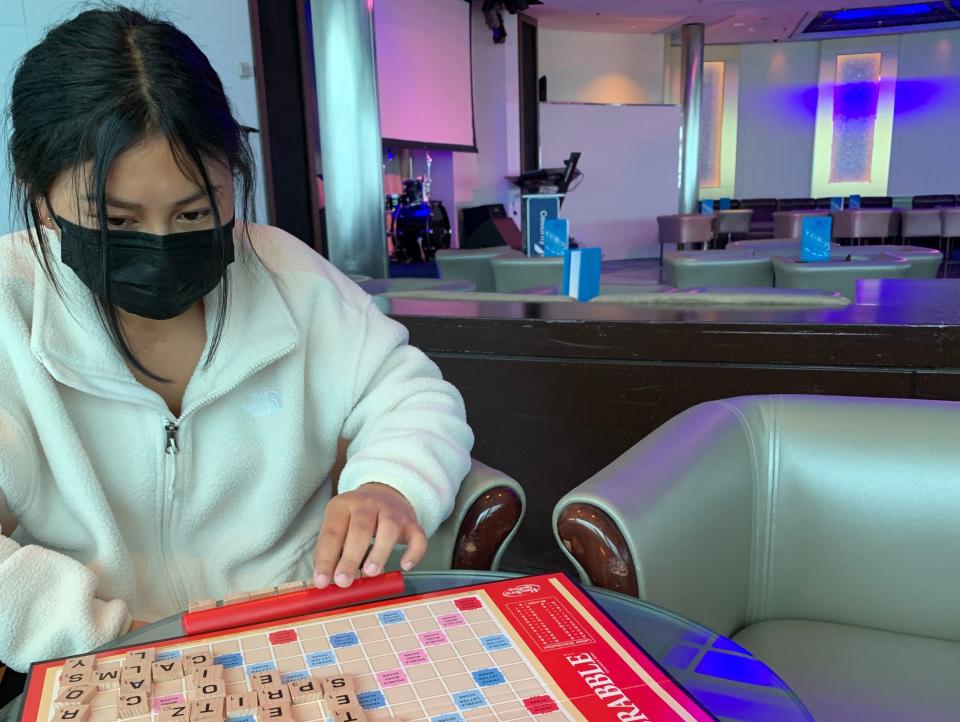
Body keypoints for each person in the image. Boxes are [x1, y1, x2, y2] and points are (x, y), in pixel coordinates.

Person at [0, 6, 473, 672]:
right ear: (39, 195)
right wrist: (105, 635)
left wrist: (388, 485)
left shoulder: (288, 275)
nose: (162, 241)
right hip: (104, 663)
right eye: (116, 220)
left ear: (233, 175)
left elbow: (412, 394)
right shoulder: (9, 308)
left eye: (196, 211)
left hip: (294, 632)